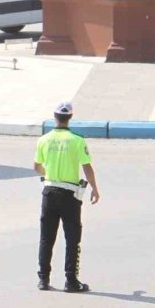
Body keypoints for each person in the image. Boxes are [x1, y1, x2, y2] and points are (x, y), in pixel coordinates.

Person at [33, 102, 101, 293]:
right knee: (72, 238)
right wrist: (95, 188)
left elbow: (36, 166)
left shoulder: (44, 140)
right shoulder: (77, 140)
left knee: (46, 237)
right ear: (70, 117)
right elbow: (87, 166)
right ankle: (71, 280)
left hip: (49, 192)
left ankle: (43, 279)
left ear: (55, 117)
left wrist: (50, 174)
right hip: (70, 195)